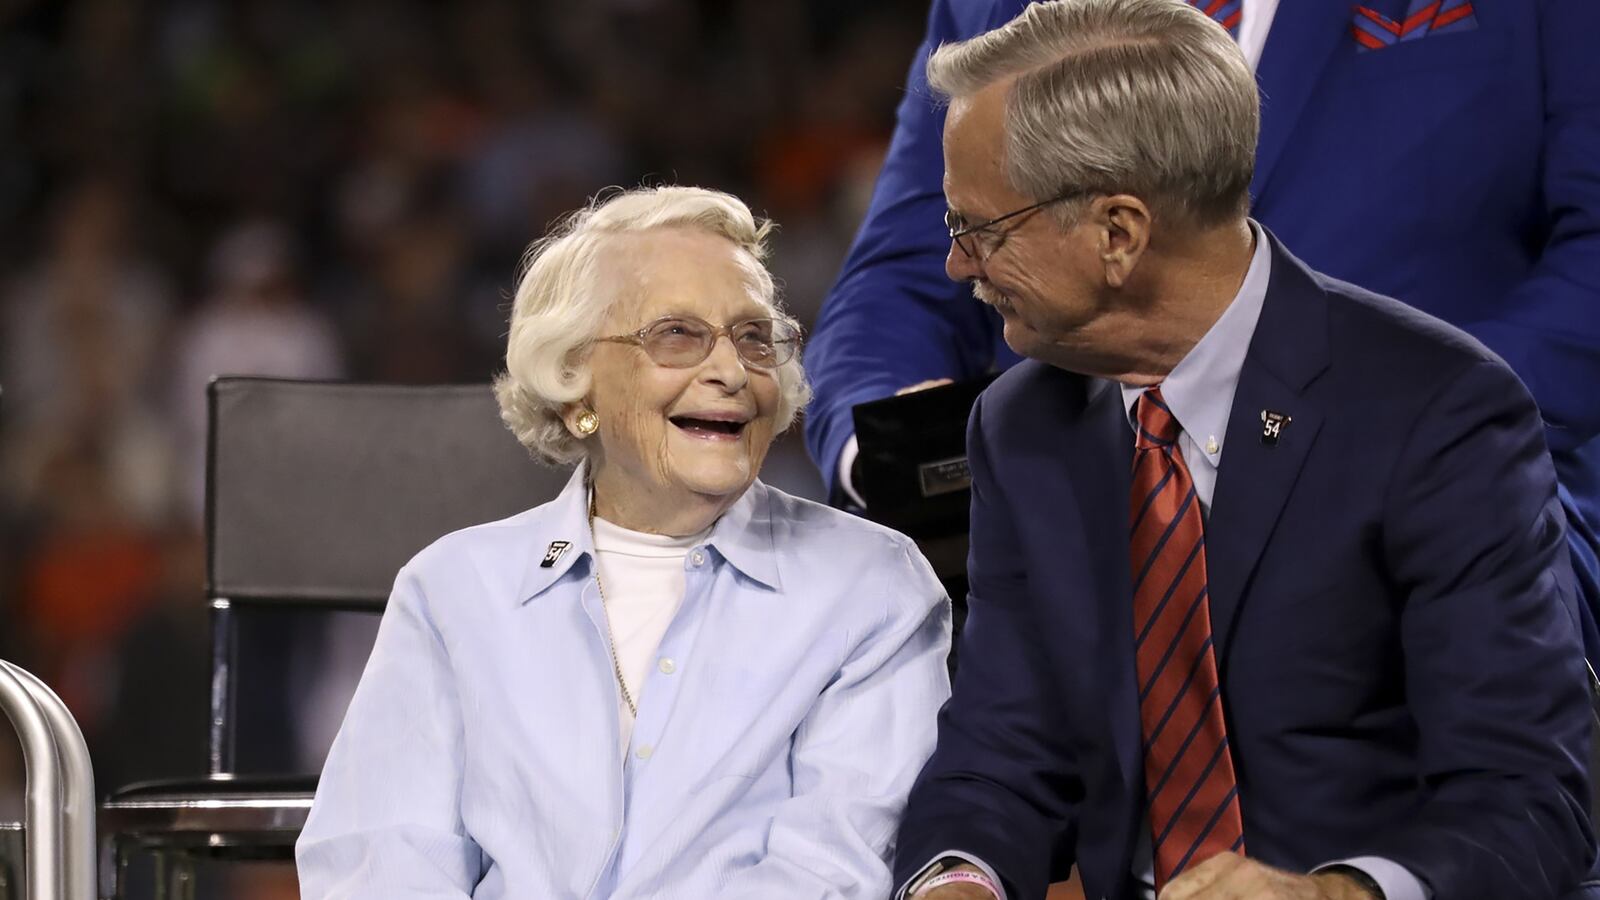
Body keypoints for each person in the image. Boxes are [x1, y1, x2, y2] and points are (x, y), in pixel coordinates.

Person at [891, 3, 1596, 899]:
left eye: (979, 231)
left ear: (1118, 232)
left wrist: (1332, 894)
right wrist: (959, 879)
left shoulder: (1440, 411)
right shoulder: (1022, 426)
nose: (959, 267)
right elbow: (1000, 756)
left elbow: (1527, 806)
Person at [802, 0, 1600, 657]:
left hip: (1445, 494)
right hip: (1075, 516)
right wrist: (898, 456)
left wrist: (1409, 431)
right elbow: (908, 268)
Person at [295, 186, 952, 899]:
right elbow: (380, 854)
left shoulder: (872, 586)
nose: (732, 372)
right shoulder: (454, 589)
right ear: (576, 385)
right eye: (676, 334)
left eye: (754, 337)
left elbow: (838, 865)